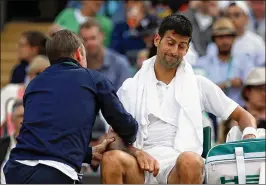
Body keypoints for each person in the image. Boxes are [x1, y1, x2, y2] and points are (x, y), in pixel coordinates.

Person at [101, 14, 257, 184]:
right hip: (139, 166)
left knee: (190, 160)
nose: (175, 51)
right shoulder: (130, 87)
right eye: (170, 43)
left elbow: (244, 116)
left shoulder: (199, 84)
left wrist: (249, 136)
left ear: (187, 49)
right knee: (111, 159)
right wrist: (137, 153)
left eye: (181, 46)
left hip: (178, 167)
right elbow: (113, 139)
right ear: (157, 40)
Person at [3, 29, 138, 184]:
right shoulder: (93, 79)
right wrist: (133, 137)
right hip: (55, 172)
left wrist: (88, 153)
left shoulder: (34, 84)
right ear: (79, 53)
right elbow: (124, 125)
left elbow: (44, 137)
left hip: (16, 169)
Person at [1, 55, 50, 136]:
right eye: (38, 73)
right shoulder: (10, 91)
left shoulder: (51, 99)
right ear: (29, 75)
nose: (42, 78)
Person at [79, 19, 132, 91]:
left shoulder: (120, 64)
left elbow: (125, 96)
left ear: (102, 36)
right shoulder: (78, 66)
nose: (89, 43)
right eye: (85, 39)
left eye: (93, 38)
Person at [0, 100, 24, 184]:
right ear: (12, 119)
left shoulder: (40, 145)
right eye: (20, 116)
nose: (23, 120)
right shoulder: (2, 144)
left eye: (27, 116)